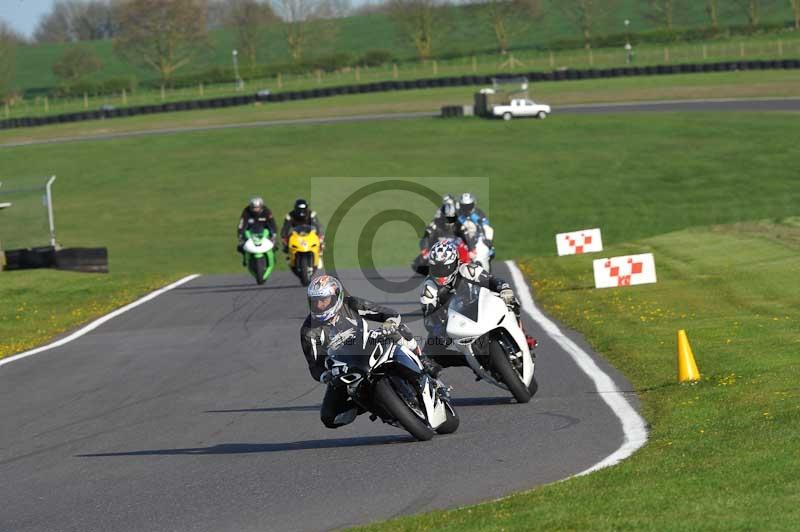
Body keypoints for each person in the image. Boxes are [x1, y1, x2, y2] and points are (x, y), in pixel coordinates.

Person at [300, 275, 437, 429]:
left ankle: (422, 360)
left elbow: (389, 314)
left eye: (324, 300)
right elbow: (315, 365)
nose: (319, 305)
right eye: (315, 301)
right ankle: (371, 405)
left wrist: (390, 323)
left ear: (336, 297)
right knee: (329, 417)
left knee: (399, 330)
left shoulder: (351, 304)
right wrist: (326, 375)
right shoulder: (309, 331)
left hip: (369, 345)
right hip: (344, 367)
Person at [419, 240, 534, 369]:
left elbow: (491, 280)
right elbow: (429, 318)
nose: (441, 273)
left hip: (480, 303)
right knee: (429, 354)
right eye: (436, 268)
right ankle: (469, 361)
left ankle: (523, 333)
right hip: (453, 320)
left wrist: (503, 288)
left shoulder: (467, 269)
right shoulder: (429, 287)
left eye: (444, 267)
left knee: (510, 299)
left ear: (455, 263)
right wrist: (439, 330)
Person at [237, 197, 277, 264]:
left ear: (261, 206)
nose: (255, 209)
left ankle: (272, 257)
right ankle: (245, 258)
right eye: (253, 208)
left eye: (257, 208)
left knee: (274, 245)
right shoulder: (246, 211)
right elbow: (242, 223)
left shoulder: (267, 211)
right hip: (250, 230)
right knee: (241, 246)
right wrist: (240, 234)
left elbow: (272, 223)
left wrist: (273, 234)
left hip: (264, 230)